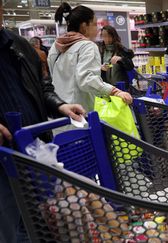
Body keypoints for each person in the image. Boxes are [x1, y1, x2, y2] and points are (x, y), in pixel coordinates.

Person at [0, 1, 86, 242]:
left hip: (36, 150)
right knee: (16, 228)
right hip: (4, 161)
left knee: (46, 220)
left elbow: (41, 85)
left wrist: (60, 105)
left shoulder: (17, 45)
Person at [48, 3, 132, 112]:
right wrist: (115, 91)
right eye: (95, 24)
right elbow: (86, 79)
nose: (97, 29)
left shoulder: (56, 46)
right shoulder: (87, 46)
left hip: (58, 110)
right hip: (79, 112)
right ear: (84, 26)